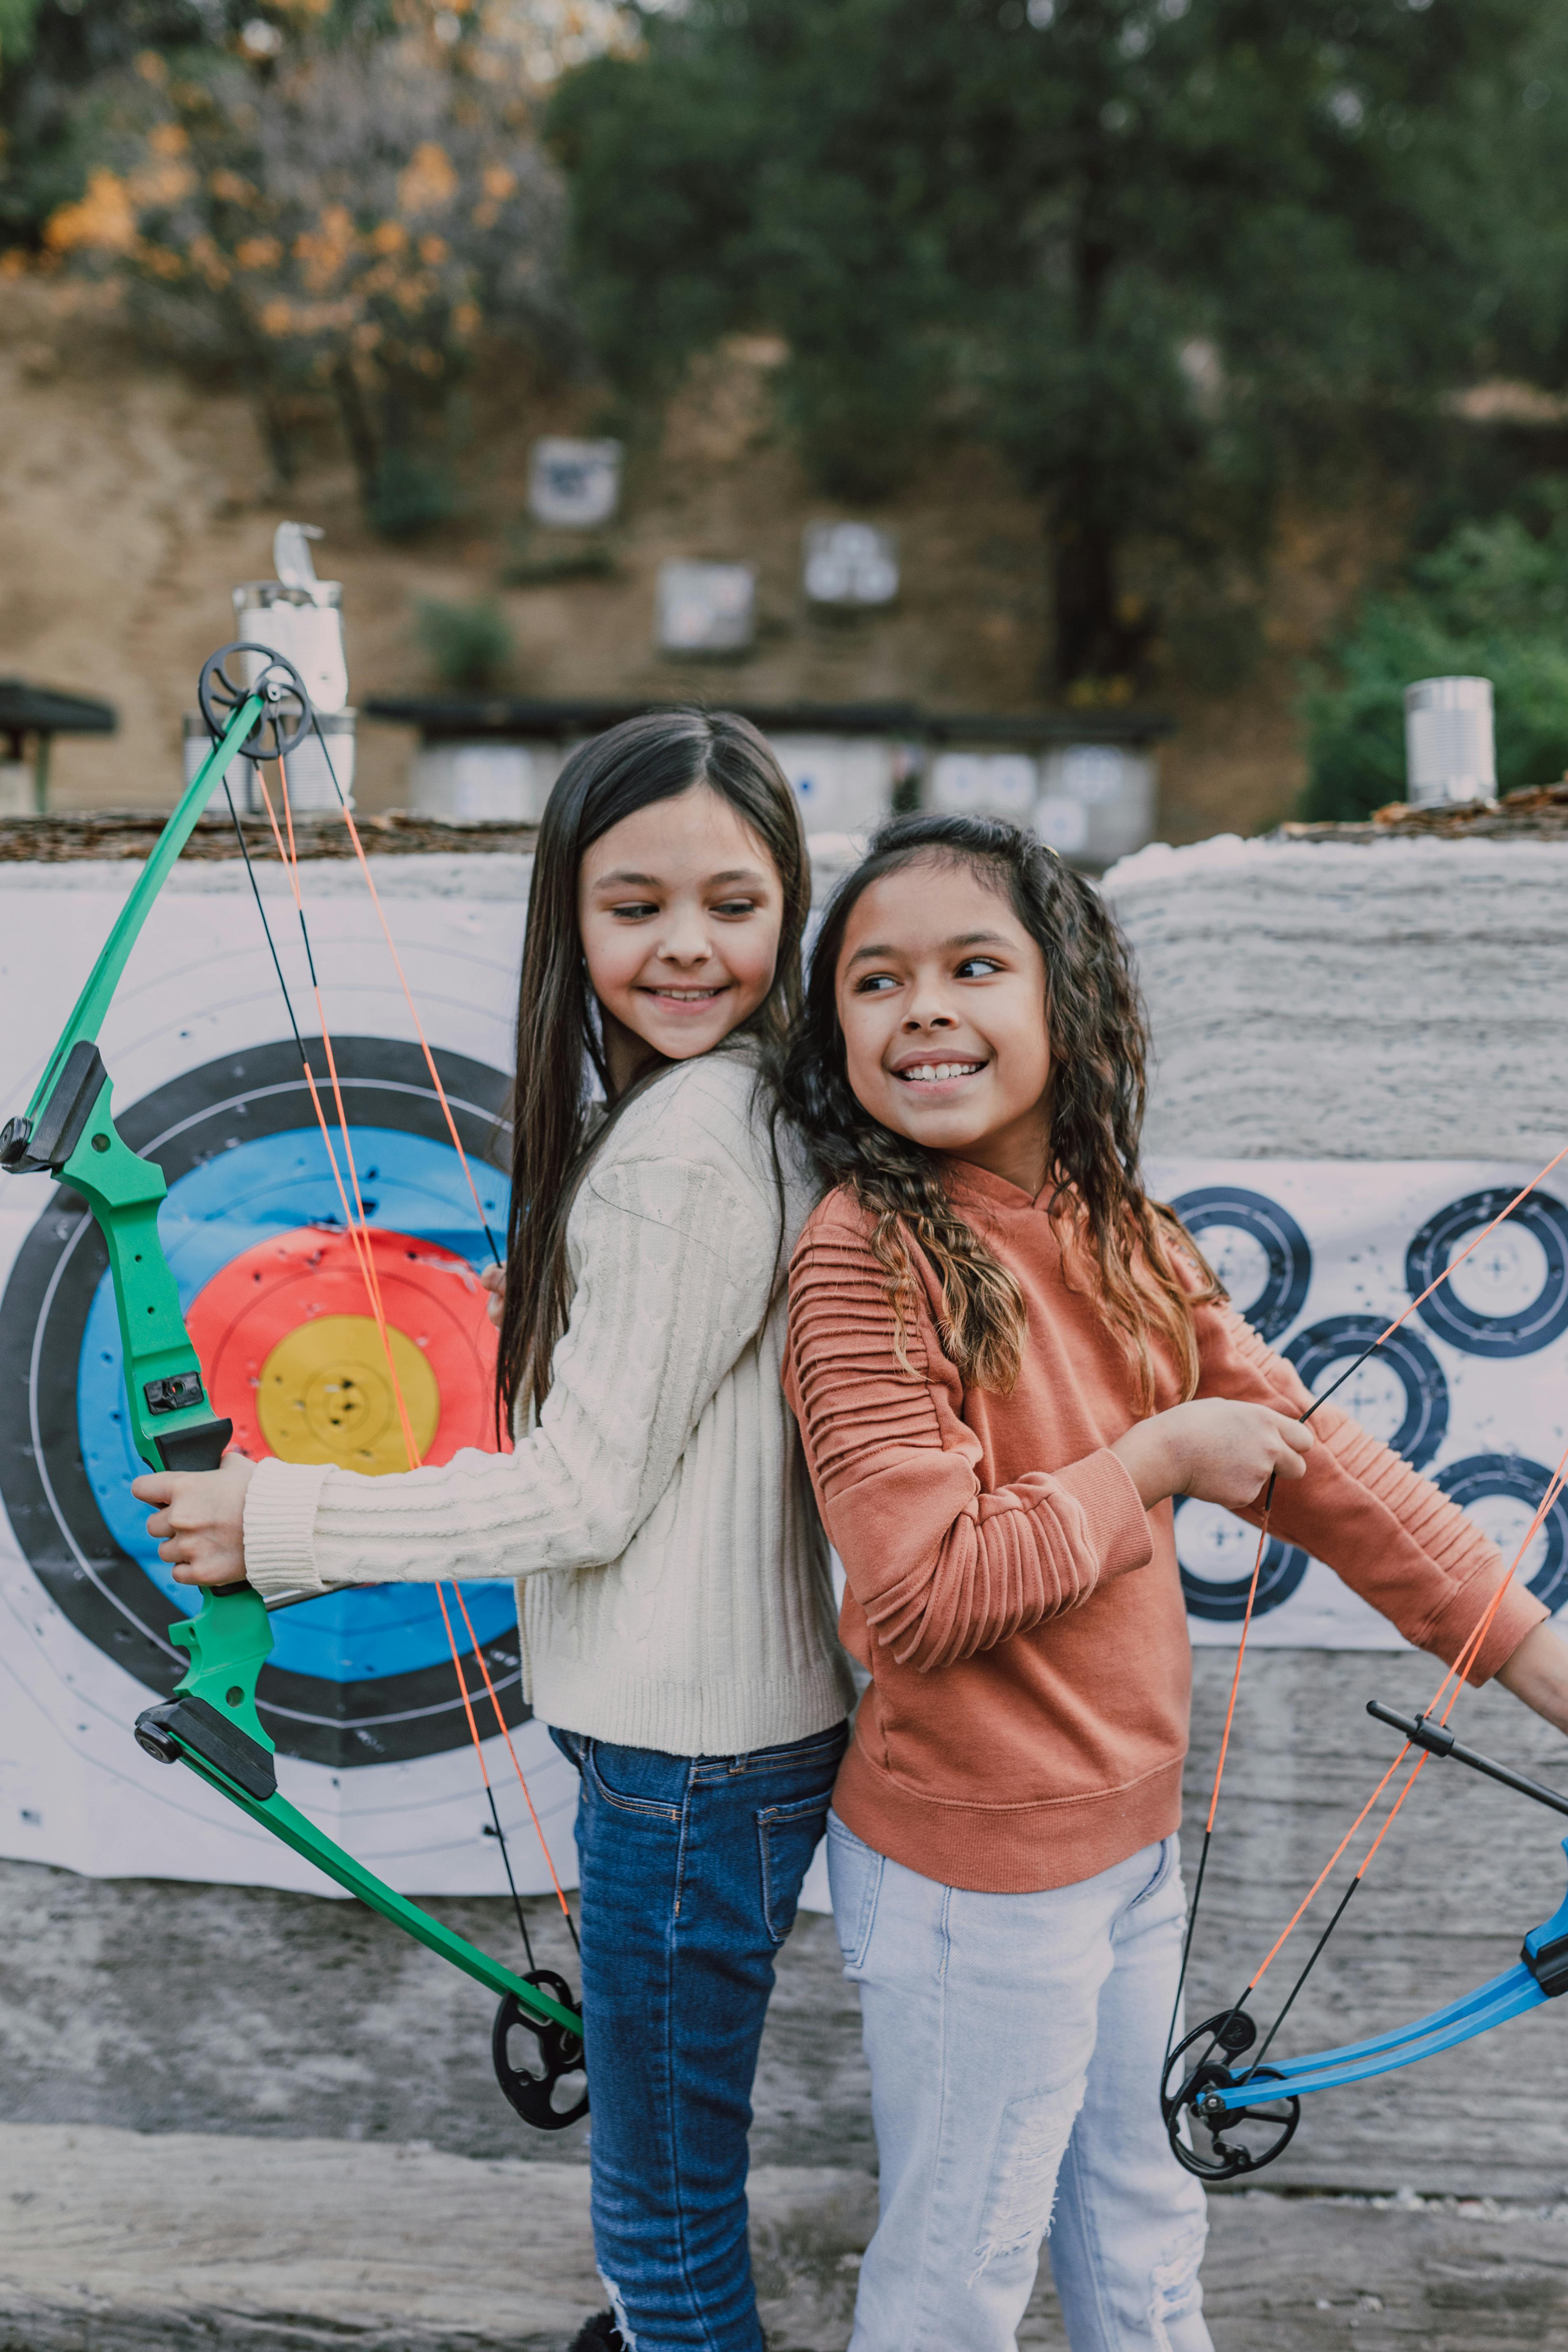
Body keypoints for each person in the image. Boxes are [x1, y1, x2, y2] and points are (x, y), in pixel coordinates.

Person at [777, 811, 1568, 2352]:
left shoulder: (1123, 1233)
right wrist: (1151, 1461)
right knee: (961, 2276)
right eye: (874, 983)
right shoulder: (865, 1251)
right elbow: (919, 1597)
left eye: (972, 966)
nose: (922, 1007)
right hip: (975, 1881)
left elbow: (1317, 1465)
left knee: (1141, 2236)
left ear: (1068, 1006)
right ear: (836, 1036)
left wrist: (1541, 1663)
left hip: (1126, 1850)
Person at [133, 710, 856, 2352]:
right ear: (569, 916)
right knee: (667, 2184)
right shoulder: (727, 1110)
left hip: (689, 1768)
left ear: (792, 906)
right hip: (709, 1752)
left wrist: (279, 1515)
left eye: (733, 903)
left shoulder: (688, 1145)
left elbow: (581, 1495)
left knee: (663, 2227)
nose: (684, 944)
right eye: (633, 904)